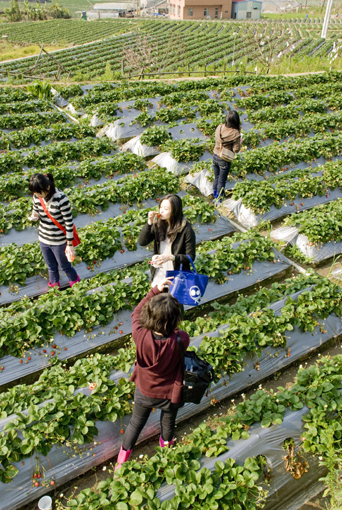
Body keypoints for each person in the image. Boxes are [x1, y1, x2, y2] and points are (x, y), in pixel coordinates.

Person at [115, 276, 189, 471]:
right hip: (170, 393)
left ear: (149, 317)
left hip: (145, 390)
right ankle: (167, 448)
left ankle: (122, 458)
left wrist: (154, 291)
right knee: (168, 421)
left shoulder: (140, 335)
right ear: (176, 320)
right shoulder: (181, 339)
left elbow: (135, 313)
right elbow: (175, 333)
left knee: (135, 423)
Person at [28, 173, 80, 289]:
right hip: (43, 238)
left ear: (47, 187)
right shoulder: (37, 196)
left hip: (59, 241)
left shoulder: (61, 198)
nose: (37, 196)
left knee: (65, 266)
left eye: (39, 193)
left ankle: (77, 286)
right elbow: (35, 210)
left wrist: (70, 245)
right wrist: (34, 216)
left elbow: (68, 223)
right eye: (35, 193)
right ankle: (54, 290)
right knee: (51, 266)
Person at [138, 194, 196, 287]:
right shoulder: (159, 224)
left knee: (171, 301)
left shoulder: (186, 229)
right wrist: (149, 222)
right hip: (159, 273)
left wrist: (171, 257)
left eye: (166, 209)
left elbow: (190, 257)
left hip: (175, 277)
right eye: (161, 207)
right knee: (155, 300)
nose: (161, 211)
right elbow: (142, 242)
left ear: (174, 211)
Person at [212, 110, 242, 203]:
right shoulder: (236, 133)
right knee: (222, 180)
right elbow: (236, 150)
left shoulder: (220, 127)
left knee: (216, 177)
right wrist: (239, 142)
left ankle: (214, 195)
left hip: (215, 155)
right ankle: (218, 200)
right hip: (224, 159)